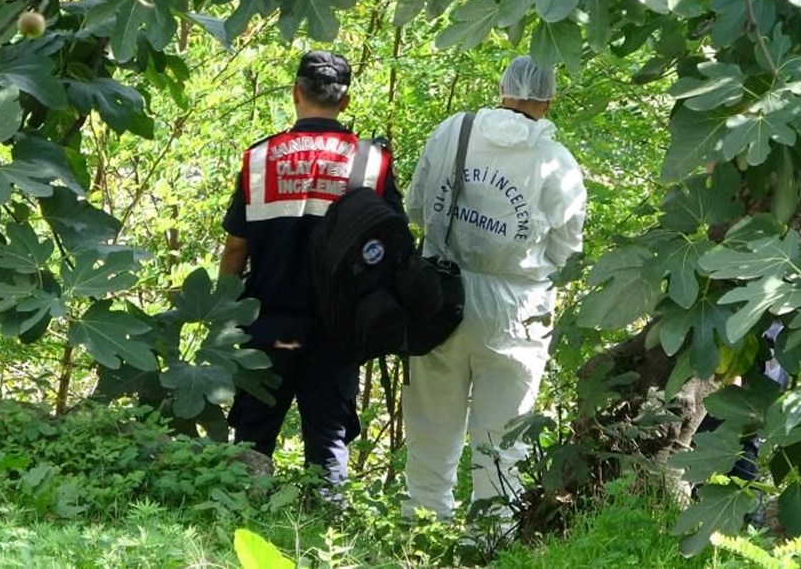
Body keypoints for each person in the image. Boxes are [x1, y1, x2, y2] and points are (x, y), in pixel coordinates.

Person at [401, 56, 587, 522]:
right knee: (505, 433)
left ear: (503, 87)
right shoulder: (556, 162)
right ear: (549, 99)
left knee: (430, 418)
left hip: (439, 296)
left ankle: (420, 524)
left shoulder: (454, 132)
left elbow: (418, 207)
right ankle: (491, 533)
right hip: (517, 309)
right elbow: (568, 253)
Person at [219, 50, 403, 487]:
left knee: (250, 437)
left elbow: (236, 246)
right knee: (328, 439)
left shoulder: (261, 158)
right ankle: (325, 537)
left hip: (266, 323)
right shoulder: (371, 163)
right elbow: (394, 246)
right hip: (337, 327)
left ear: (295, 92)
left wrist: (224, 313)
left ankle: (231, 521)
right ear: (345, 100)